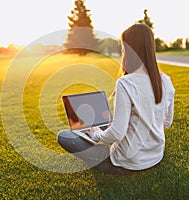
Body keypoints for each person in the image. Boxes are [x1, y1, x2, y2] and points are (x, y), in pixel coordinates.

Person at [57, 23, 175, 174]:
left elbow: (118, 134)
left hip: (127, 162)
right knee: (109, 126)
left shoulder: (126, 83)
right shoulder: (166, 81)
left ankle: (97, 141)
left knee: (65, 136)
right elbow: (167, 122)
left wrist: (96, 134)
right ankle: (103, 133)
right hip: (156, 156)